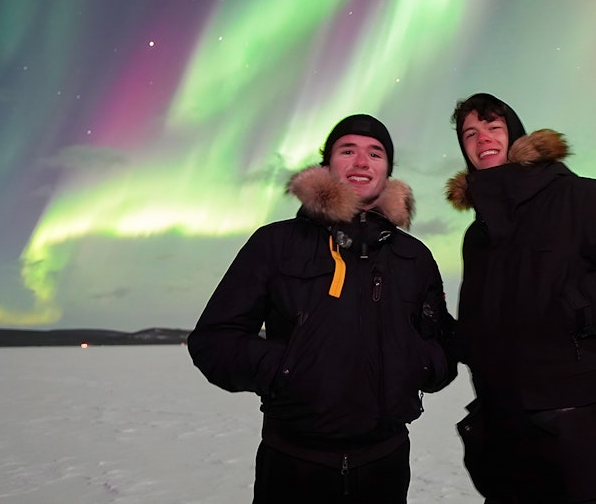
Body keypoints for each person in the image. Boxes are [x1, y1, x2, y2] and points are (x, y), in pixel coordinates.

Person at [188, 114, 457, 504]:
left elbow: (443, 343)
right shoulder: (276, 244)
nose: (362, 162)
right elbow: (214, 340)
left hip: (386, 464)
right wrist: (285, 369)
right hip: (293, 464)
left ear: (387, 171)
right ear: (327, 164)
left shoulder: (414, 256)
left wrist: (418, 364)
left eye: (375, 153)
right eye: (348, 150)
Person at [445, 93, 596, 503]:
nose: (481, 138)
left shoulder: (580, 198)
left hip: (590, 432)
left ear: (515, 136)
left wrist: (578, 306)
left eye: (493, 127)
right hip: (511, 439)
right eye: (470, 133)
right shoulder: (479, 236)